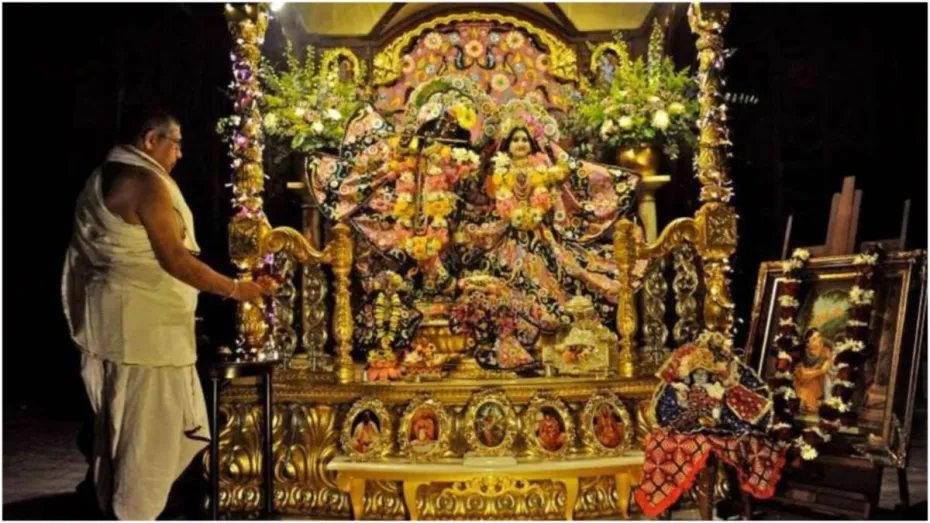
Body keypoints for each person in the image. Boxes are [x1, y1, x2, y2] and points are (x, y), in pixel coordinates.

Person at [61, 107, 266, 519]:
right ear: (151, 139)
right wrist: (236, 290)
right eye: (176, 143)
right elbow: (176, 260)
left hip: (121, 327)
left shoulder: (102, 176)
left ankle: (117, 509)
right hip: (147, 336)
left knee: (120, 432)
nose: (180, 154)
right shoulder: (145, 181)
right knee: (146, 441)